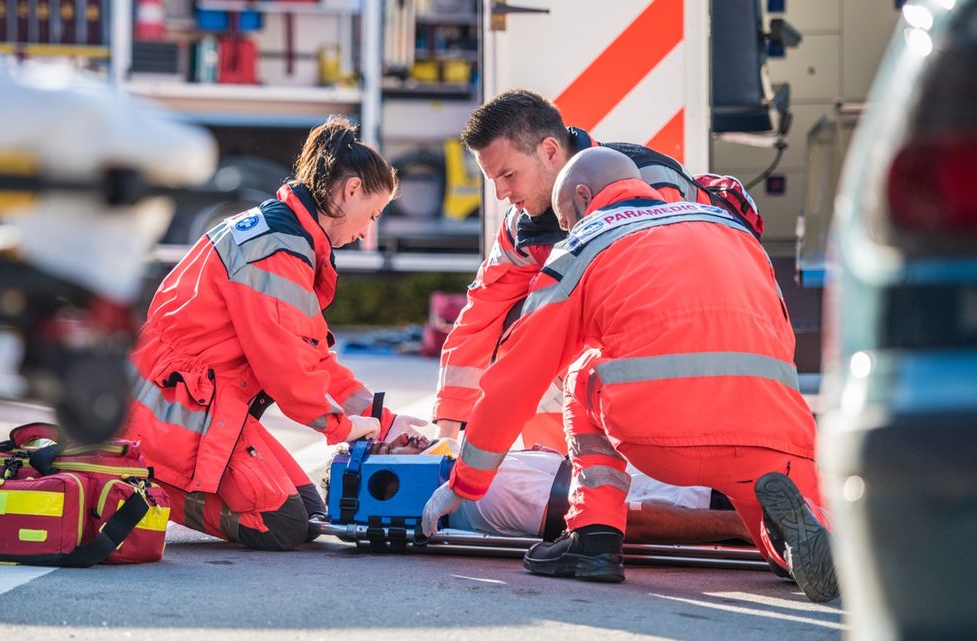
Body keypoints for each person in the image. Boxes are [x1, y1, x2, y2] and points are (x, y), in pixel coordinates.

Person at [421, 147, 838, 603]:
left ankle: (593, 538)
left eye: (566, 218)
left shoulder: (586, 242)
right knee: (774, 529)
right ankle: (794, 547)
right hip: (776, 434)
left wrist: (467, 482)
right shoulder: (728, 227)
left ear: (582, 199)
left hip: (661, 437)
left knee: (581, 373)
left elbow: (518, 374)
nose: (567, 229)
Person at [122, 116, 428, 552]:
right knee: (284, 525)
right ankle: (148, 477)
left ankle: (161, 470)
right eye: (372, 215)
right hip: (175, 412)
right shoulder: (278, 251)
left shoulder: (287, 237)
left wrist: (385, 421)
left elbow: (313, 358)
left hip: (200, 404)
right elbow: (289, 373)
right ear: (352, 190)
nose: (366, 232)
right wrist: (344, 427)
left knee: (310, 515)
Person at [433, 89, 747, 453]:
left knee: (556, 339)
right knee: (520, 332)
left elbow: (671, 304)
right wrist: (446, 436)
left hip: (702, 347)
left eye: (508, 175)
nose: (502, 193)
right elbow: (481, 315)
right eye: (494, 180)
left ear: (550, 151)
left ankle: (663, 468)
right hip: (652, 349)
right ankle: (555, 467)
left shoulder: (650, 185)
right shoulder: (522, 225)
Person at [324, 434, 751, 544]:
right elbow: (621, 520)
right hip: (689, 495)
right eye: (390, 449)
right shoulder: (455, 501)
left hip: (671, 474)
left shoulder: (463, 472)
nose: (407, 439)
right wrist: (739, 525)